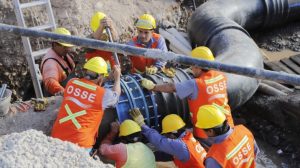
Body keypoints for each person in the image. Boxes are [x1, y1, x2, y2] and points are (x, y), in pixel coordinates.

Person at [141, 46, 234, 144]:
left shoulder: (196, 84)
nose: (191, 69)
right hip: (227, 125)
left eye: (192, 66)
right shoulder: (221, 75)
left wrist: (153, 87)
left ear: (198, 66)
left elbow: (172, 87)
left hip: (207, 132)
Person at [51, 57, 121, 153]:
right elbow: (116, 96)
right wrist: (117, 79)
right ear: (100, 76)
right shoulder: (103, 95)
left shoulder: (71, 83)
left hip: (56, 137)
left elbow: (89, 85)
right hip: (80, 144)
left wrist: (106, 77)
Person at [130, 108, 206, 168]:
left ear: (173, 133)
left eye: (166, 135)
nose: (166, 137)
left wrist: (142, 124)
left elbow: (159, 141)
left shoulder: (181, 146)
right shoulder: (189, 137)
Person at [40, 27, 77, 96]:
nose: (67, 49)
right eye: (64, 46)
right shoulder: (50, 63)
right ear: (54, 44)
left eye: (68, 46)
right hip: (58, 100)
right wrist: (61, 91)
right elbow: (50, 81)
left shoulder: (63, 54)